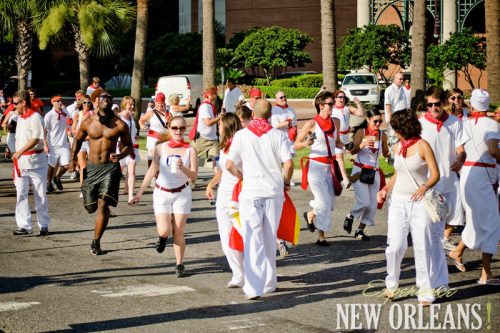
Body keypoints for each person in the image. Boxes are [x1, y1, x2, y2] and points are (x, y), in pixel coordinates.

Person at [226, 99, 293, 300]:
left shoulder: (241, 135)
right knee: (269, 236)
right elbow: (288, 164)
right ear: (270, 115)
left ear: (253, 114)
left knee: (252, 238)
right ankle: (269, 282)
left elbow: (229, 165)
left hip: (251, 192)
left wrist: (242, 177)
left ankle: (253, 287)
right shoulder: (278, 135)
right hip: (273, 191)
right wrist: (285, 182)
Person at [377, 109, 440, 306]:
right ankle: (391, 283)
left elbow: (435, 174)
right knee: (395, 246)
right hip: (398, 201)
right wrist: (385, 189)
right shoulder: (398, 147)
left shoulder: (423, 145)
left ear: (403, 127)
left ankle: (425, 291)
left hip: (419, 203)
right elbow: (398, 173)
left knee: (422, 246)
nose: (394, 131)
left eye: (396, 128)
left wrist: (424, 186)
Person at [131, 116, 198, 277]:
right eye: (175, 128)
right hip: (162, 192)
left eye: (182, 128)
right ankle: (162, 237)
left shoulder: (190, 149)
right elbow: (152, 170)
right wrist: (139, 193)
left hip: (182, 193)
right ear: (169, 127)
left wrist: (183, 168)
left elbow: (194, 176)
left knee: (179, 232)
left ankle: (179, 264)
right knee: (164, 230)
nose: (178, 131)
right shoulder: (160, 147)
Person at [69, 91, 132, 255]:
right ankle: (103, 213)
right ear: (97, 101)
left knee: (103, 205)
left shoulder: (120, 124)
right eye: (103, 97)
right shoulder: (88, 122)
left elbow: (128, 146)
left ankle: (96, 242)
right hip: (92, 168)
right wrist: (71, 160)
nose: (107, 100)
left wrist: (120, 155)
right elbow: (77, 140)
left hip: (110, 169)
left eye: (110, 98)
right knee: (90, 207)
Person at [449, 89, 500, 285]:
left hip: (467, 174)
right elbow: (494, 151)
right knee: (491, 223)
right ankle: (486, 274)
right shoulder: (492, 124)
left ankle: (457, 251)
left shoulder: (464, 123)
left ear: (472, 106)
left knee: (475, 218)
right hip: (482, 175)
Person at [420, 86, 468, 291]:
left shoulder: (455, 123)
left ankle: (437, 271)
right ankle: (434, 278)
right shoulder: (421, 124)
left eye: (436, 104)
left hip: (450, 181)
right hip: (429, 185)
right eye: (429, 105)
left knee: (454, 220)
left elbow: (461, 149)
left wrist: (460, 158)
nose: (433, 108)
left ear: (444, 103)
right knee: (432, 231)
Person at [294, 91, 343, 246]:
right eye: (330, 104)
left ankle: (310, 214)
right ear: (321, 106)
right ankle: (321, 237)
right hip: (315, 167)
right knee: (323, 203)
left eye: (333, 103)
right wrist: (306, 144)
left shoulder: (336, 122)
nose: (333, 106)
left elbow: (338, 142)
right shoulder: (311, 124)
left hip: (330, 168)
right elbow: (296, 144)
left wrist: (347, 145)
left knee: (331, 204)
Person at [206, 113, 244, 288]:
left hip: (239, 194)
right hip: (223, 194)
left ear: (227, 125)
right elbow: (222, 170)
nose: (218, 127)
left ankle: (252, 270)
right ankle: (238, 274)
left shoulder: (242, 144)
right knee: (225, 234)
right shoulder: (223, 146)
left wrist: (243, 179)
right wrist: (211, 184)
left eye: (220, 124)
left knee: (243, 233)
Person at [343, 109, 390, 240]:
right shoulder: (361, 132)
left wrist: (394, 150)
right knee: (364, 202)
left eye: (380, 121)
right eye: (375, 121)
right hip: (360, 170)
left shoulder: (383, 135)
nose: (378, 123)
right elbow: (352, 151)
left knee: (373, 205)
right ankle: (351, 215)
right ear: (368, 120)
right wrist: (362, 144)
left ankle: (360, 231)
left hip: (374, 172)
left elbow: (386, 153)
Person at [11, 91, 51, 236]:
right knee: (21, 194)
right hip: (21, 163)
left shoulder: (36, 117)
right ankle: (24, 226)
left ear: (23, 102)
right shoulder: (20, 118)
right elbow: (19, 138)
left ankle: (43, 224)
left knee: (40, 194)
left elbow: (35, 139)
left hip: (36, 163)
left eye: (15, 103)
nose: (13, 106)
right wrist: (13, 150)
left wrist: (20, 151)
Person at [331, 90, 365, 187]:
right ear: (335, 98)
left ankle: (340, 176)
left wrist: (358, 103)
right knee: (339, 158)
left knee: (344, 156)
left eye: (343, 97)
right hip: (336, 136)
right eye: (340, 97)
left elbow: (361, 113)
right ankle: (345, 179)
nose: (342, 99)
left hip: (346, 136)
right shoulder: (331, 109)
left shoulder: (347, 108)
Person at [44, 94, 71, 193]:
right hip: (52, 145)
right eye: (57, 101)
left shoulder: (65, 112)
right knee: (51, 166)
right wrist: (45, 145)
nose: (60, 103)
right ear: (52, 102)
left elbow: (69, 123)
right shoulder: (49, 115)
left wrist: (69, 130)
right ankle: (49, 183)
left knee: (67, 165)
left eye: (61, 101)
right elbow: (44, 130)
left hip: (64, 144)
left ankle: (57, 178)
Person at [139, 92, 170, 169]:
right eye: (158, 103)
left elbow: (172, 127)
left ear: (164, 102)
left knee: (163, 159)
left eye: (162, 103)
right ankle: (151, 174)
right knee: (152, 157)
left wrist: (169, 122)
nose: (160, 105)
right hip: (153, 139)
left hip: (164, 139)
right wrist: (142, 125)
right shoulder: (151, 112)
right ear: (155, 103)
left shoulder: (168, 114)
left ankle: (160, 175)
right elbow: (141, 120)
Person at [118, 96, 140, 203]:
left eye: (132, 104)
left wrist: (135, 137)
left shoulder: (131, 118)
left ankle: (130, 195)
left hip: (131, 149)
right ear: (124, 104)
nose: (132, 107)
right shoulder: (118, 117)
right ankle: (111, 194)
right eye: (129, 104)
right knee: (117, 173)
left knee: (132, 172)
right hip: (121, 149)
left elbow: (133, 132)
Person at [193, 87, 221, 166]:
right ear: (209, 95)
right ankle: (192, 175)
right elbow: (208, 123)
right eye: (215, 94)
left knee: (216, 161)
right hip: (203, 139)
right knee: (197, 161)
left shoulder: (210, 106)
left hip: (213, 139)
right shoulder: (205, 107)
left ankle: (218, 177)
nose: (216, 96)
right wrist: (219, 117)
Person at [72, 95, 94, 191]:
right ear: (81, 103)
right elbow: (73, 128)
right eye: (85, 102)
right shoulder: (77, 114)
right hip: (81, 143)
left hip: (91, 142)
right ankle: (83, 189)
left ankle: (92, 188)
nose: (87, 104)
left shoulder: (94, 114)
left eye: (89, 102)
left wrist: (86, 137)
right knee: (83, 167)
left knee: (93, 166)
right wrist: (73, 132)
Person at [384, 73, 408, 150]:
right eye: (400, 79)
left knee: (401, 139)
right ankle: (391, 157)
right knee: (393, 139)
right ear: (394, 79)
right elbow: (388, 106)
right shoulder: (389, 90)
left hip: (402, 119)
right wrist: (391, 120)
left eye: (402, 79)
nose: (401, 81)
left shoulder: (402, 89)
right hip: (394, 120)